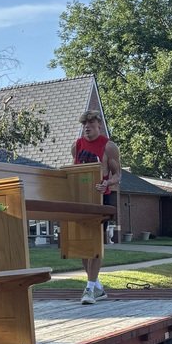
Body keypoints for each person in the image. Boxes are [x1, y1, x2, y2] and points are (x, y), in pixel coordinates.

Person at [71, 109, 121, 305]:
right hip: (82, 200)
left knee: (95, 245)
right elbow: (74, 171)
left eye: (91, 125)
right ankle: (97, 286)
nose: (87, 129)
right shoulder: (76, 146)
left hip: (101, 200)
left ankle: (90, 289)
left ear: (99, 126)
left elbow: (118, 175)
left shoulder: (109, 147)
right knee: (83, 247)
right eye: (84, 126)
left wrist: (107, 183)